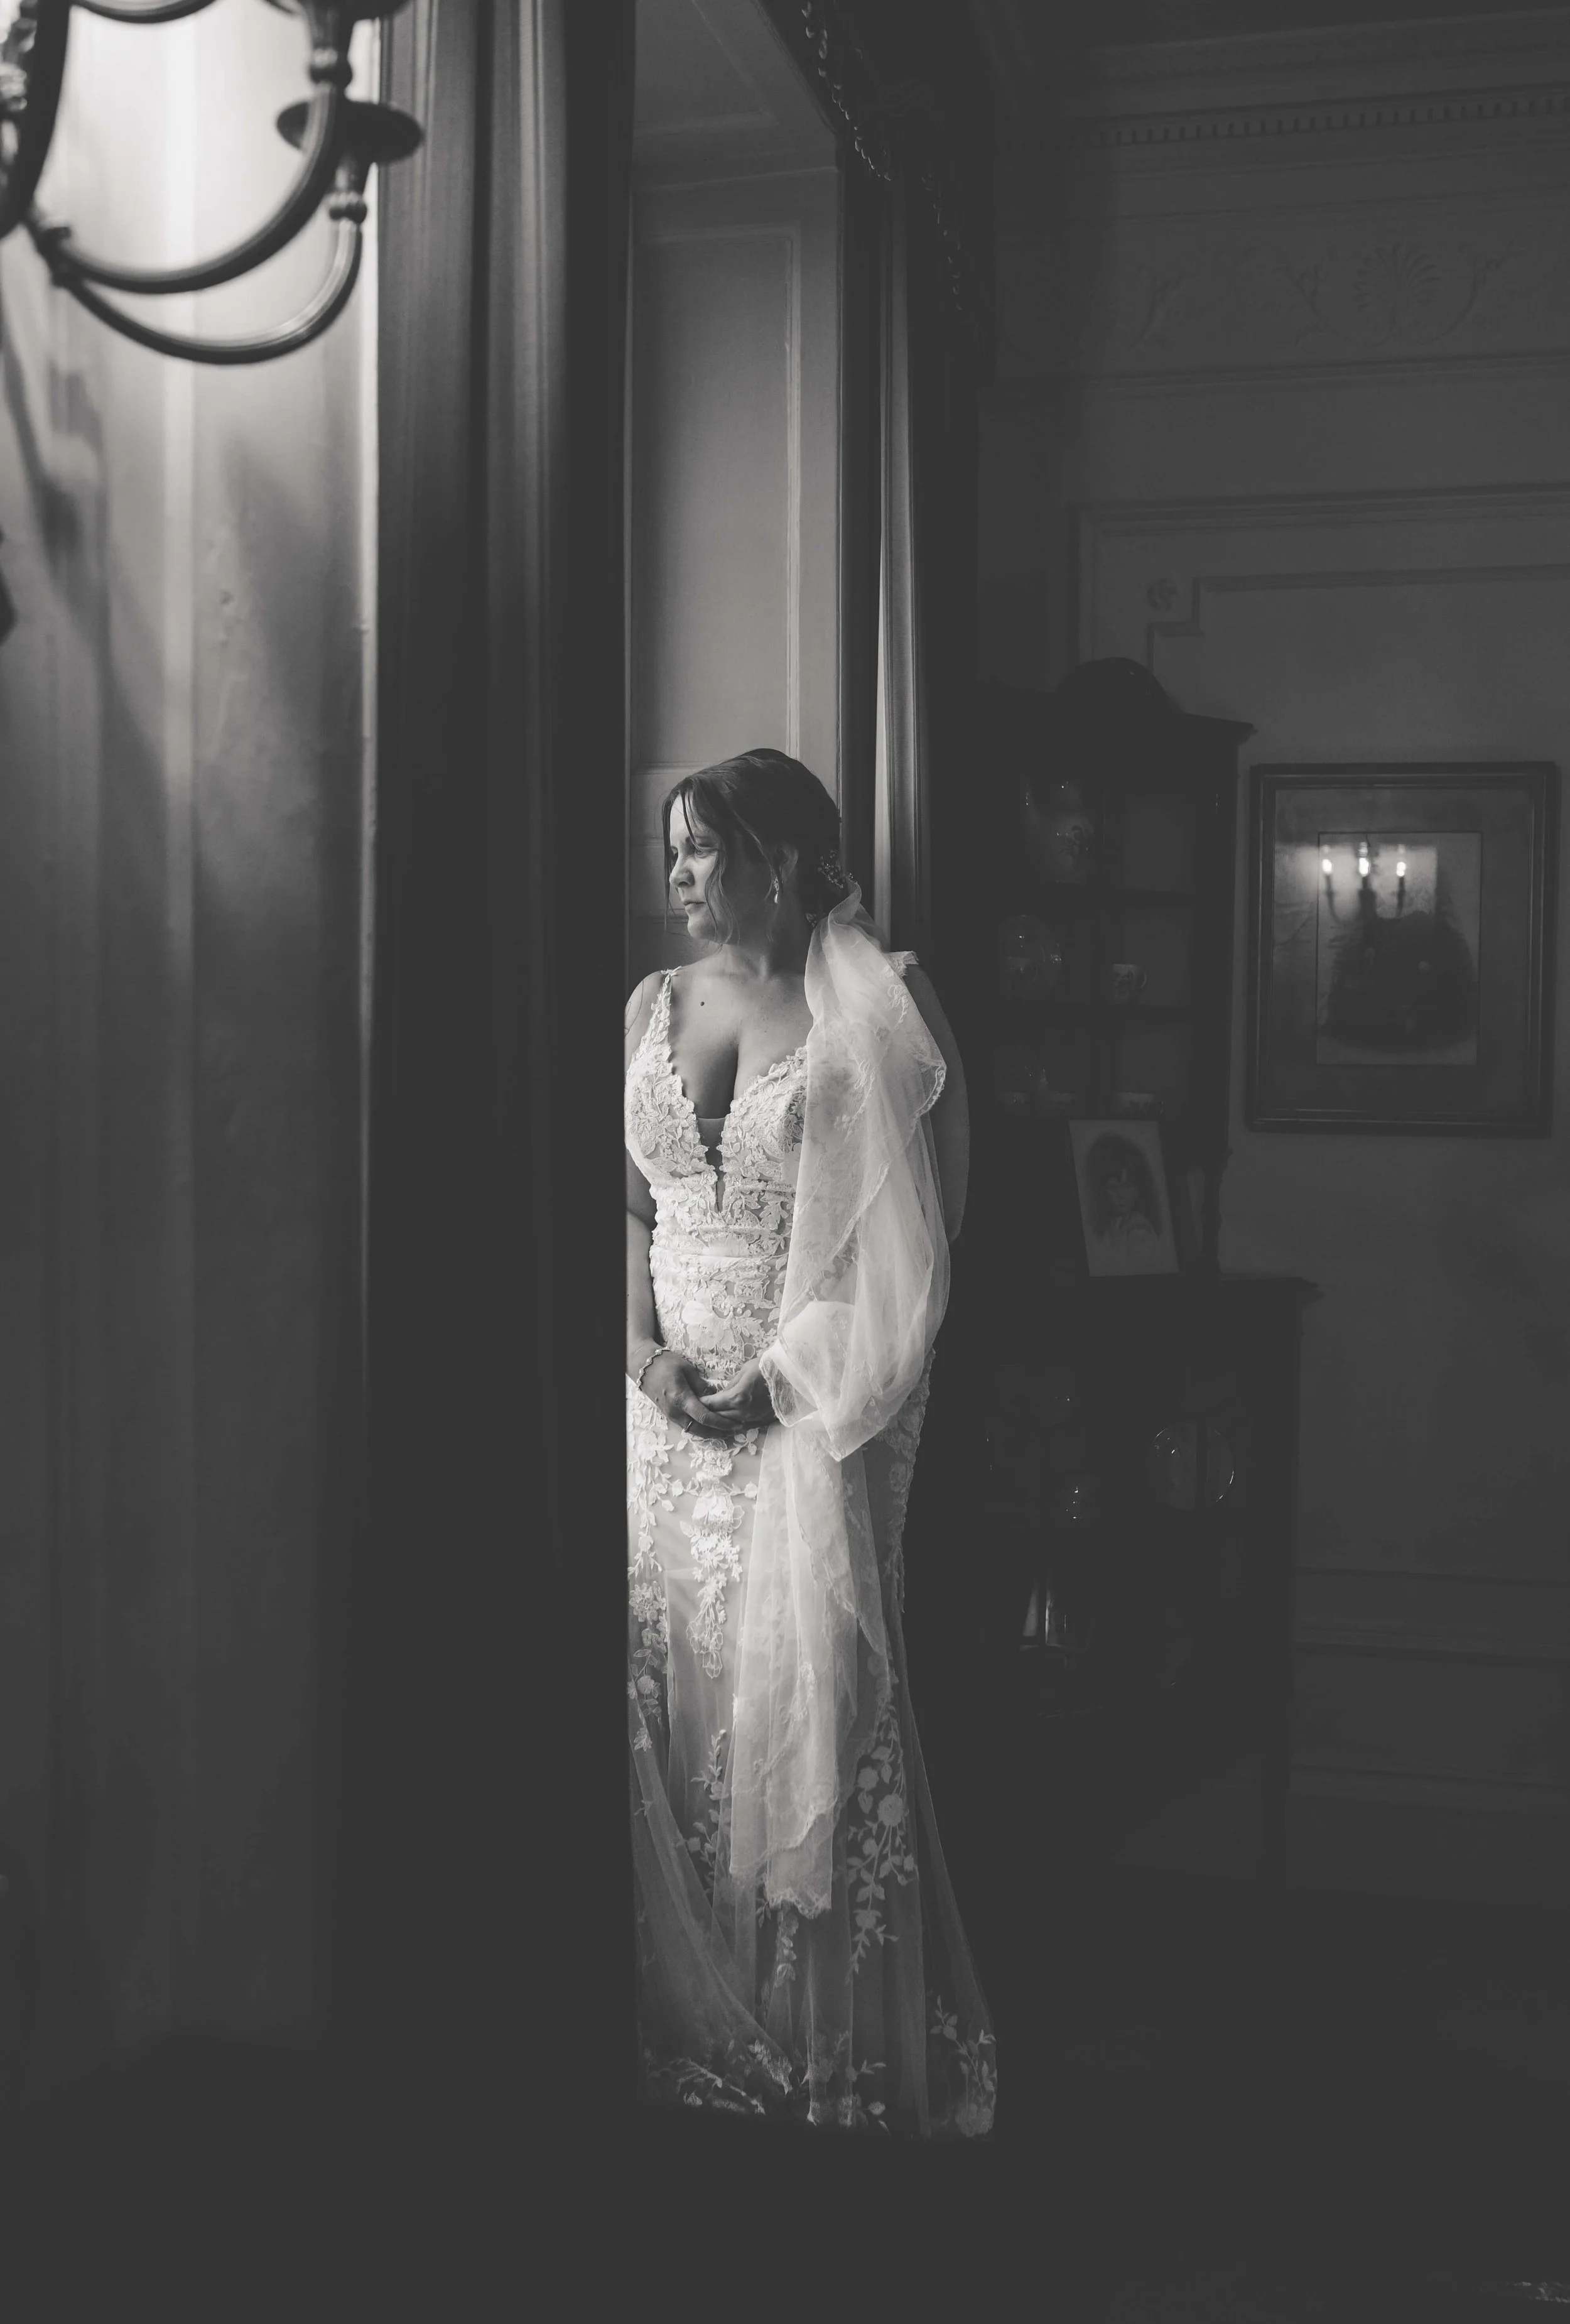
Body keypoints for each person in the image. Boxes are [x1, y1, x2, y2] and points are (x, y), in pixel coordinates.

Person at [624, 748, 996, 2136]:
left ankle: (813, 2051)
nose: (673, 872)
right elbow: (628, 1209)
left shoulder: (874, 1009)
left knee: (798, 1719)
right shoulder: (647, 1008)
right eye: (669, 846)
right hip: (654, 1432)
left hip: (798, 1436)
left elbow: (917, 1254)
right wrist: (642, 1357)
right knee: (654, 1719)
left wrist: (780, 1384)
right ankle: (669, 2029)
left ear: (774, 859)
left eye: (698, 846)